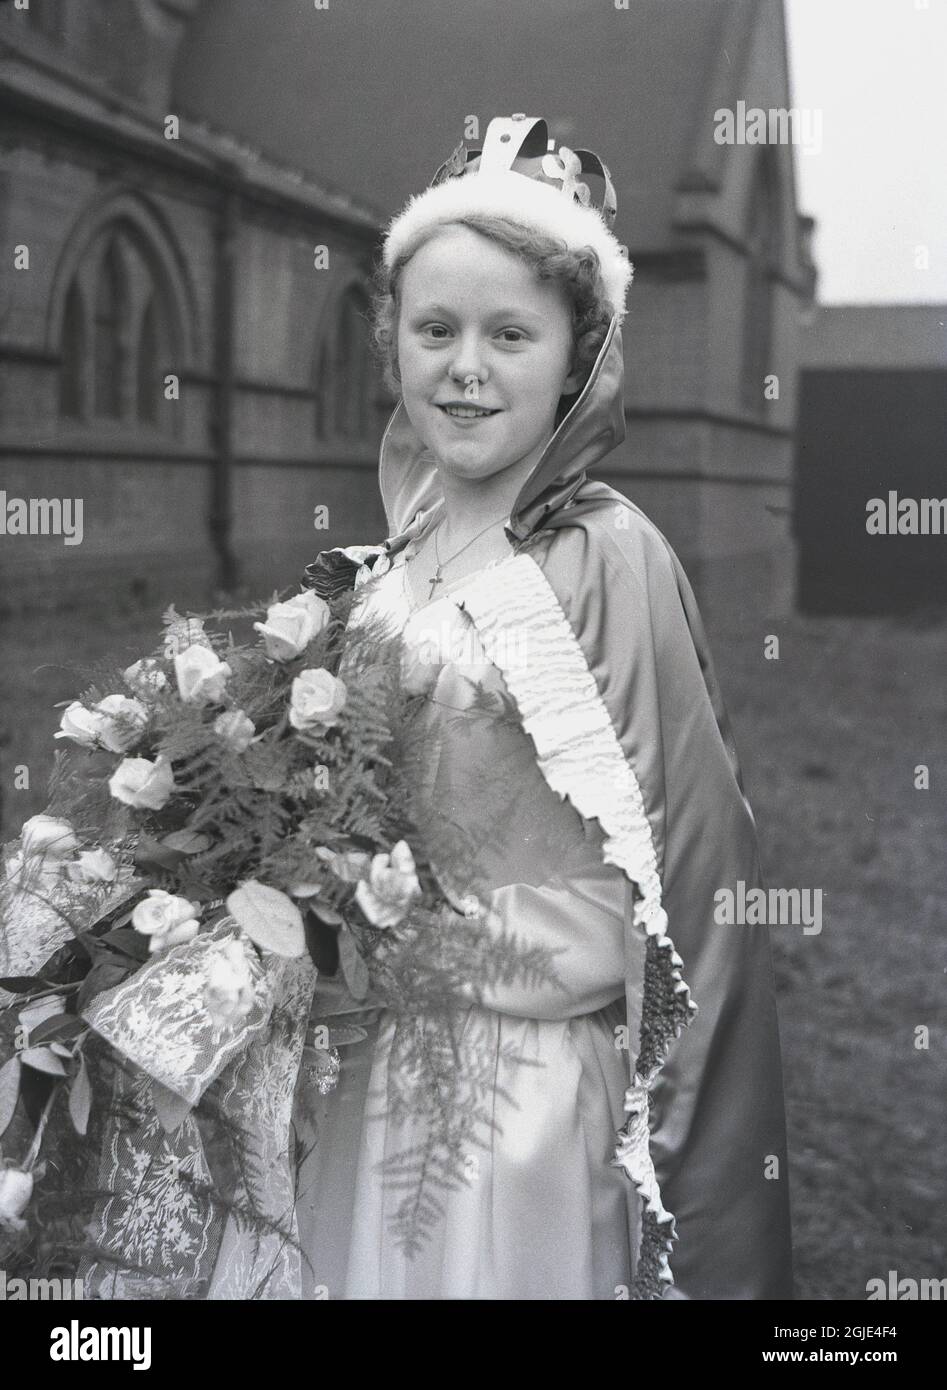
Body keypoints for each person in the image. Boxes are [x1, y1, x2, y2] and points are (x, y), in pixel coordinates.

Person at [293, 114, 794, 1300]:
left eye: (509, 333)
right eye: (434, 330)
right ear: (393, 345)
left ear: (580, 355)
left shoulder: (603, 561)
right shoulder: (390, 563)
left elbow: (681, 871)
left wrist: (433, 952)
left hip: (509, 1102)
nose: (465, 368)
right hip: (364, 1075)